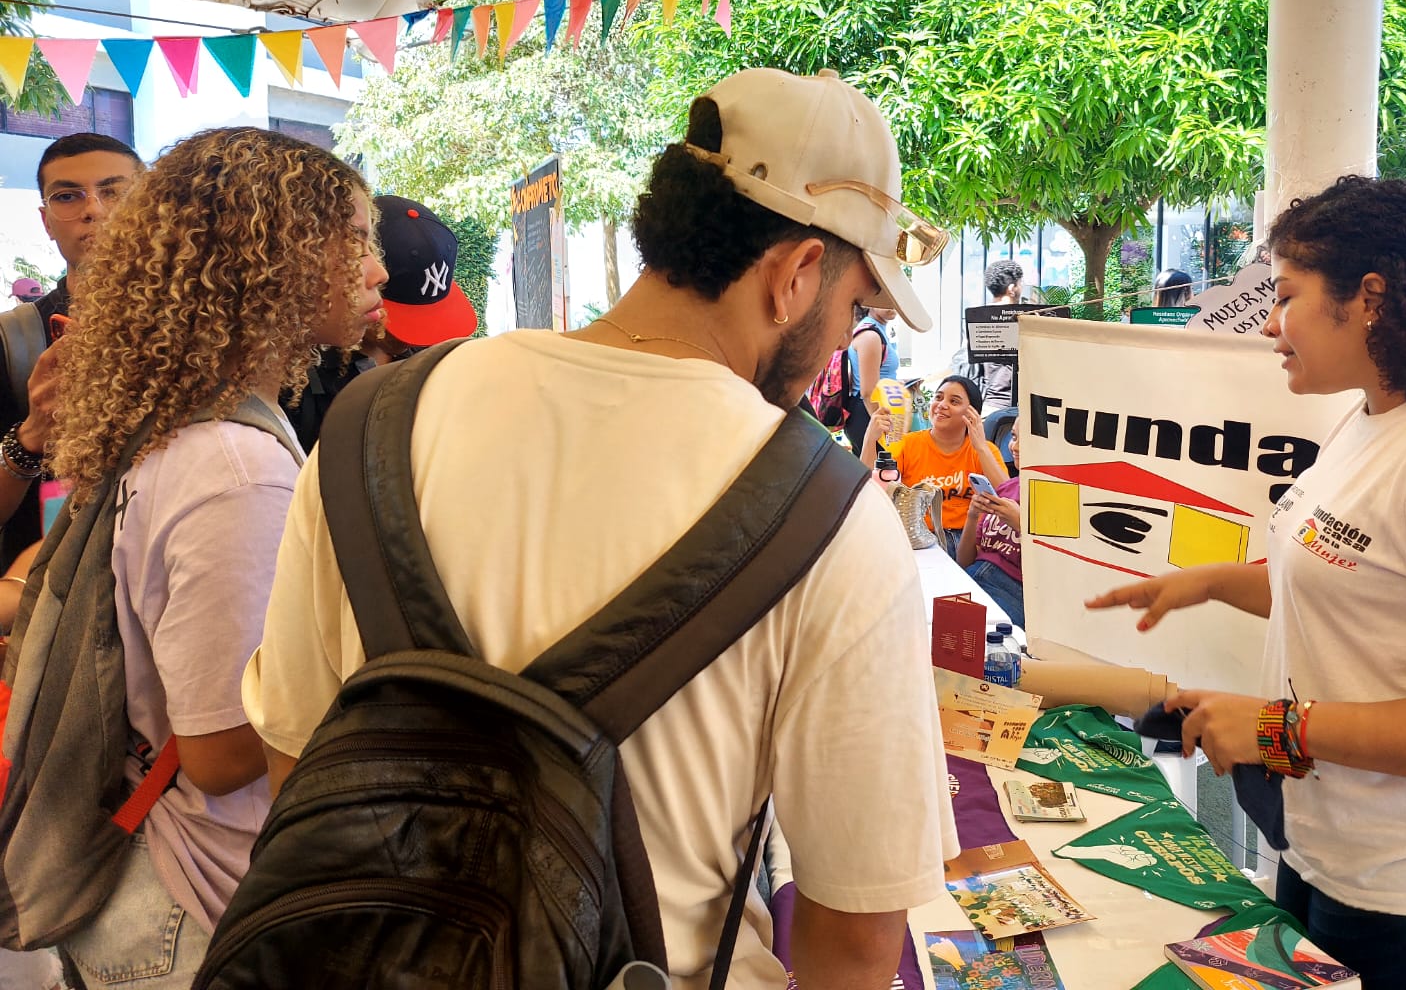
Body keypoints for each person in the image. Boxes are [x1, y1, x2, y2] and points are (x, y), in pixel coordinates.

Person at [244, 68, 958, 989]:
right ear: (796, 275)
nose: (840, 340)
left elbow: (294, 761)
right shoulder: (830, 514)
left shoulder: (370, 424)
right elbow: (854, 936)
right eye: (855, 308)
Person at [1087, 176, 1406, 990]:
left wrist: (1280, 728)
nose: (1268, 324)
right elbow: (1358, 582)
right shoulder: (1380, 415)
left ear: (1369, 299)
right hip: (1341, 855)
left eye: (1285, 297)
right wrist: (1213, 582)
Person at [38, 128, 385, 988]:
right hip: (200, 912)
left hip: (167, 896)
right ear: (273, 260)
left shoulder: (182, 432)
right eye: (355, 241)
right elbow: (222, 750)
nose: (376, 270)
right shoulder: (235, 468)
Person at [0, 134, 141, 570]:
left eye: (114, 191)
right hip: (50, 602)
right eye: (68, 195)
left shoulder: (208, 332)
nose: (93, 209)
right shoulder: (15, 341)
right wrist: (32, 435)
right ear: (46, 221)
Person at [282, 194, 478, 452]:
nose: (413, 339)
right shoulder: (297, 384)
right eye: (402, 318)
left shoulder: (433, 366)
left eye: (429, 319)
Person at [865, 374, 1008, 556]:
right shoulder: (908, 444)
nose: (941, 405)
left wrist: (980, 447)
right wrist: (869, 439)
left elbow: (1008, 496)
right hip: (920, 539)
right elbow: (868, 489)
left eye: (954, 401)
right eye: (938, 397)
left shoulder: (984, 451)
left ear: (972, 414)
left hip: (971, 541)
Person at [957, 424, 1024, 626]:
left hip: (1012, 593)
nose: (1016, 446)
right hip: (971, 579)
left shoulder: (1062, 497)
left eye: (1026, 439)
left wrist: (1023, 525)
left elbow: (1058, 574)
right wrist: (972, 516)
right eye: (1014, 436)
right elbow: (964, 562)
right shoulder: (1009, 488)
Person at [840, 304, 899, 455]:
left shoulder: (877, 330)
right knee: (878, 475)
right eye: (886, 300)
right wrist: (882, 428)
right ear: (869, 304)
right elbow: (868, 392)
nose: (892, 305)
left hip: (873, 412)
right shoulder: (870, 336)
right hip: (868, 413)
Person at [978, 259, 1024, 416]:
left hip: (987, 405)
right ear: (1012, 289)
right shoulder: (1021, 320)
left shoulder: (977, 318)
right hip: (1013, 408)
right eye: (1020, 283)